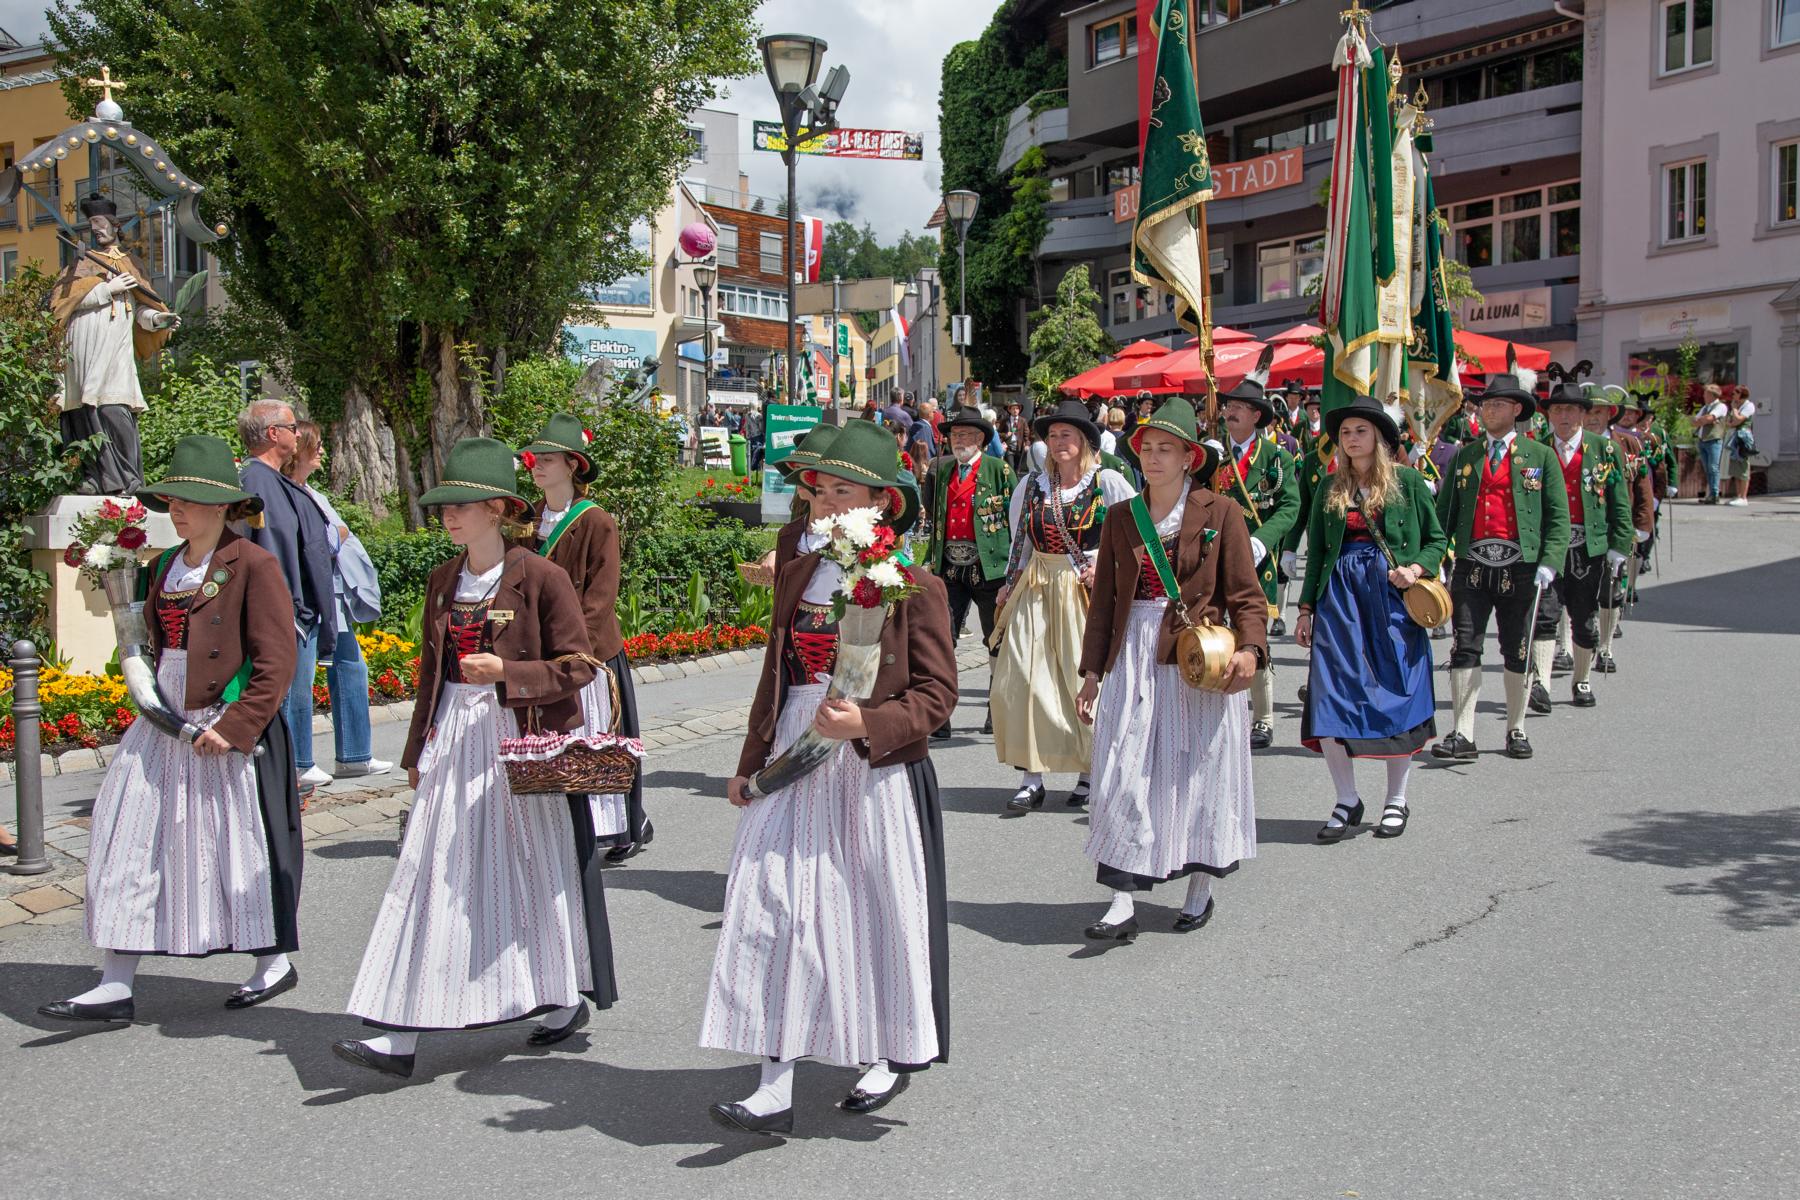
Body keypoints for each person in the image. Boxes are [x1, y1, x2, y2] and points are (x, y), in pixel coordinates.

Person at [336, 438, 613, 1079]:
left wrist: (507, 673)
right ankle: (401, 1031)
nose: (449, 518)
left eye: (460, 506)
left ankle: (558, 995)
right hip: (453, 741)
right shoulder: (444, 580)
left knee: (533, 874)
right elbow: (431, 675)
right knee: (432, 872)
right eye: (443, 508)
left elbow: (580, 666)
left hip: (517, 740)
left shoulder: (540, 576)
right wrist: (416, 749)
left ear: (496, 507)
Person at [707, 420, 954, 1135]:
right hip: (795, 746)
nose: (822, 500)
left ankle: (882, 1050)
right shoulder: (797, 560)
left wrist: (867, 726)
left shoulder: (914, 584)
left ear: (882, 501)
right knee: (770, 903)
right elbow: (777, 671)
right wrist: (750, 763)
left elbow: (936, 699)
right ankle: (773, 1081)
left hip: (868, 771)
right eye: (818, 487)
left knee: (867, 911)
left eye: (841, 489)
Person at [39, 436, 302, 1024]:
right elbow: (153, 648)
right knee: (129, 837)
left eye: (186, 500)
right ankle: (114, 981)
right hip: (163, 721)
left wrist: (237, 728)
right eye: (170, 500)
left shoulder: (253, 563)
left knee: (236, 849)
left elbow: (276, 659)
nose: (175, 509)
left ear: (218, 506)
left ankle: (271, 960)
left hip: (227, 725)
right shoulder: (162, 567)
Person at [1075, 402, 1262, 941]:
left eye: (1166, 448)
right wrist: (1091, 674)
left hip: (1196, 658)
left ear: (1189, 457)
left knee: (1197, 769)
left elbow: (1245, 594)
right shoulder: (1120, 517)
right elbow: (1105, 604)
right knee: (1120, 771)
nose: (1153, 458)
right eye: (1146, 448)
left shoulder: (1221, 512)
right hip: (1133, 653)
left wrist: (1250, 651)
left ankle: (1198, 887)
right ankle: (1121, 899)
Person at [1294, 397, 1446, 841]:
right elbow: (1319, 552)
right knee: (1331, 695)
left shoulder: (1408, 482)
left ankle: (1396, 800)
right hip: (1339, 601)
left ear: (1378, 437)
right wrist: (1305, 609)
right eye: (1345, 432)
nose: (1351, 438)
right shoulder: (1328, 487)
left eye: (1360, 430)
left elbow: (1436, 539)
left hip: (1392, 598)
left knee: (1398, 692)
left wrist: (1414, 570)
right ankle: (1346, 799)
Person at [990, 399, 1137, 812]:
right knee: (1021, 679)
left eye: (1065, 435)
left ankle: (1089, 770)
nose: (1057, 443)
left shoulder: (1106, 482)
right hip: (1037, 586)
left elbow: (1137, 533)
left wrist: (1099, 566)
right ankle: (1030, 777)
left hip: (1083, 591)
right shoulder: (1031, 486)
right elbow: (1021, 543)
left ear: (1085, 440)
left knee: (1080, 681)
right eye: (1052, 436)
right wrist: (1008, 584)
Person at [521, 415, 650, 864]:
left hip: (586, 654)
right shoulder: (528, 518)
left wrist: (578, 658)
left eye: (548, 459)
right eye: (535, 459)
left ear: (573, 465)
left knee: (596, 739)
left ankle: (613, 826)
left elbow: (600, 597)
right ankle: (558, 821)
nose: (536, 466)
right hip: (540, 652)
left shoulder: (597, 522)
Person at [1432, 368, 1570, 761]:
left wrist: (1550, 561)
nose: (1489, 410)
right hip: (1472, 566)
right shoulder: (1466, 455)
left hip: (1521, 566)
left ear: (1515, 409)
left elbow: (1558, 517)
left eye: (1497, 404)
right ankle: (1462, 733)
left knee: (1517, 650)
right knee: (1465, 647)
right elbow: (1445, 514)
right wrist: (1436, 559)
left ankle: (1516, 727)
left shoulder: (1540, 455)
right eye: (1485, 404)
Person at [48, 192, 179, 496]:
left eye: (100, 223)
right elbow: (62, 304)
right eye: (91, 224)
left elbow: (142, 308)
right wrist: (106, 289)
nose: (95, 229)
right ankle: (95, 478)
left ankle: (128, 480)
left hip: (115, 349)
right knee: (84, 410)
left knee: (115, 410)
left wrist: (159, 320)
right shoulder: (80, 263)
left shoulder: (131, 264)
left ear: (115, 224)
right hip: (83, 349)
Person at [236, 400, 337, 793]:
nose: (299, 434)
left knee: (294, 697)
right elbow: (261, 551)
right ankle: (282, 775)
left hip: (296, 612)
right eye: (293, 427)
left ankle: (288, 773)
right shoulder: (255, 483)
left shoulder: (274, 481)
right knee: (281, 699)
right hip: (282, 615)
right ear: (273, 434)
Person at [282, 422, 392, 780]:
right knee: (301, 678)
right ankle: (298, 763)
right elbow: (328, 538)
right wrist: (335, 534)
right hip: (309, 597)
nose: (322, 452)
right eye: (316, 446)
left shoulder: (313, 493)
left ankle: (354, 755)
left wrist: (336, 534)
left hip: (334, 595)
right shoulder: (288, 493)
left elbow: (335, 534)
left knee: (351, 668)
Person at [1524, 383, 1636, 714]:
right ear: (1548, 414)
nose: (1564, 416)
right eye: (1557, 409)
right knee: (1545, 613)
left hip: (1590, 546)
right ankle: (1542, 681)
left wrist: (1619, 544)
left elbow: (1619, 502)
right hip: (1549, 546)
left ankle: (1581, 679)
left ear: (1584, 415)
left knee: (1584, 615)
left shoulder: (1605, 450)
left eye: (1571, 410)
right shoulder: (1535, 449)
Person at [1211, 371, 1301, 749]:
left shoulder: (1277, 458)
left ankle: (1262, 718)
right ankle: (1219, 709)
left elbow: (1291, 505)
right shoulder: (1212, 455)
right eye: (1229, 406)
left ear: (1256, 417)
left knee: (1253, 634)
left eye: (1240, 408)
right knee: (1216, 629)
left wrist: (1263, 542)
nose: (1231, 413)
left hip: (1255, 558)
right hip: (1217, 555)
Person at [921, 405, 1016, 738]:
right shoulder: (940, 470)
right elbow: (933, 515)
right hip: (949, 567)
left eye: (965, 435)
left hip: (988, 567)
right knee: (942, 638)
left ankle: (997, 708)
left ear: (980, 439)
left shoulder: (999, 471)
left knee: (996, 639)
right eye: (954, 434)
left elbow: (1014, 517)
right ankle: (940, 713)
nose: (957, 440)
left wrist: (1014, 567)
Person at [1585, 389, 1654, 674]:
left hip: (1616, 528)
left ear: (1609, 415)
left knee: (1610, 591)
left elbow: (1640, 486)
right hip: (1579, 530)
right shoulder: (1567, 446)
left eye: (1598, 413)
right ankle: (1565, 647)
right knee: (1568, 594)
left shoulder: (1628, 444)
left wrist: (1643, 524)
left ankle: (1605, 648)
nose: (1592, 419)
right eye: (1588, 412)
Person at [1692, 383, 1727, 504]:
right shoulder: (1705, 407)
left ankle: (1715, 494)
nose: (1703, 396)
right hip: (1702, 440)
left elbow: (1709, 418)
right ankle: (1711, 493)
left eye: (1706, 393)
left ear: (1712, 395)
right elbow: (1694, 422)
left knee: (1713, 468)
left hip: (1714, 440)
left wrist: (1705, 420)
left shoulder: (1721, 406)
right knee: (1707, 469)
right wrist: (1705, 420)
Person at [1724, 386, 1756, 507]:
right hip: (1736, 436)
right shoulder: (1738, 406)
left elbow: (1737, 420)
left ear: (1741, 394)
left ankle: (1743, 496)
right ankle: (1738, 495)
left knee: (1743, 466)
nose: (1732, 395)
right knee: (1736, 467)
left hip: (1744, 437)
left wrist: (1734, 409)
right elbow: (1730, 423)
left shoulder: (1748, 406)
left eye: (1734, 393)